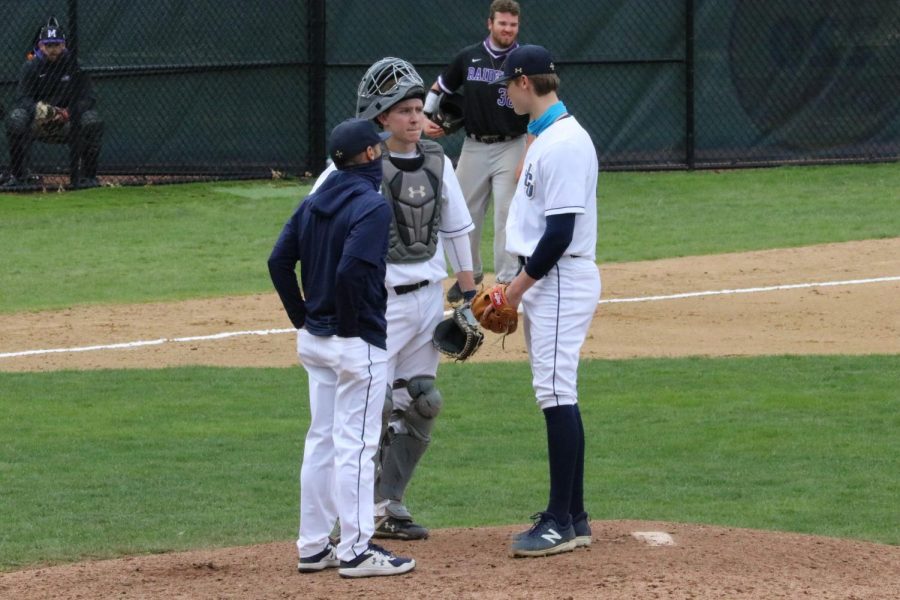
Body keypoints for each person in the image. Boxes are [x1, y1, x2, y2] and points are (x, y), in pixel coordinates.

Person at [313, 57, 478, 541]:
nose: (415, 118)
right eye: (404, 110)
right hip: (376, 303)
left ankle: (389, 505)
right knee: (374, 406)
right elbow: (314, 222)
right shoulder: (352, 165)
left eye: (418, 109)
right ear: (381, 117)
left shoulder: (437, 161)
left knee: (423, 402)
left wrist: (468, 294)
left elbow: (457, 230)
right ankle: (352, 515)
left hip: (427, 300)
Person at [268, 118, 415, 578]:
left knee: (321, 441)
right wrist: (350, 327)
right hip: (355, 344)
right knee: (356, 445)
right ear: (369, 157)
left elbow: (278, 260)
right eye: (378, 148)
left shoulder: (313, 202)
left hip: (315, 341)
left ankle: (313, 546)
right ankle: (355, 550)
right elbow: (353, 270)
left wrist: (304, 317)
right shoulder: (372, 206)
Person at [488, 45, 601, 558]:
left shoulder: (565, 144)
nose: (505, 94)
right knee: (557, 391)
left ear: (525, 84)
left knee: (556, 393)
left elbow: (558, 234)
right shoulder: (548, 137)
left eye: (507, 85)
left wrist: (515, 290)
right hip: (551, 278)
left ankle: (559, 520)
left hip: (560, 278)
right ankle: (573, 516)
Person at [423, 0, 530, 302]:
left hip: (512, 144)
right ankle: (469, 275)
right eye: (502, 23)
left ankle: (508, 282)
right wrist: (425, 119)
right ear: (490, 24)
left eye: (513, 24)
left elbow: (536, 107)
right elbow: (439, 88)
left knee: (506, 214)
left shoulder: (523, 60)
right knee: (460, 212)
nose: (507, 29)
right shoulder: (468, 58)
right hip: (474, 146)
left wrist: (527, 153)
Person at [3, 17, 103, 189]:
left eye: (56, 45)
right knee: (16, 118)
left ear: (63, 45)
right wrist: (41, 110)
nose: (53, 50)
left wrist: (68, 112)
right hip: (38, 123)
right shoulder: (31, 66)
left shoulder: (76, 66)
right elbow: (21, 98)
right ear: (41, 46)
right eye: (48, 45)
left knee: (92, 120)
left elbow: (89, 98)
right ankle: (19, 177)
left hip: (69, 122)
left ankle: (88, 177)